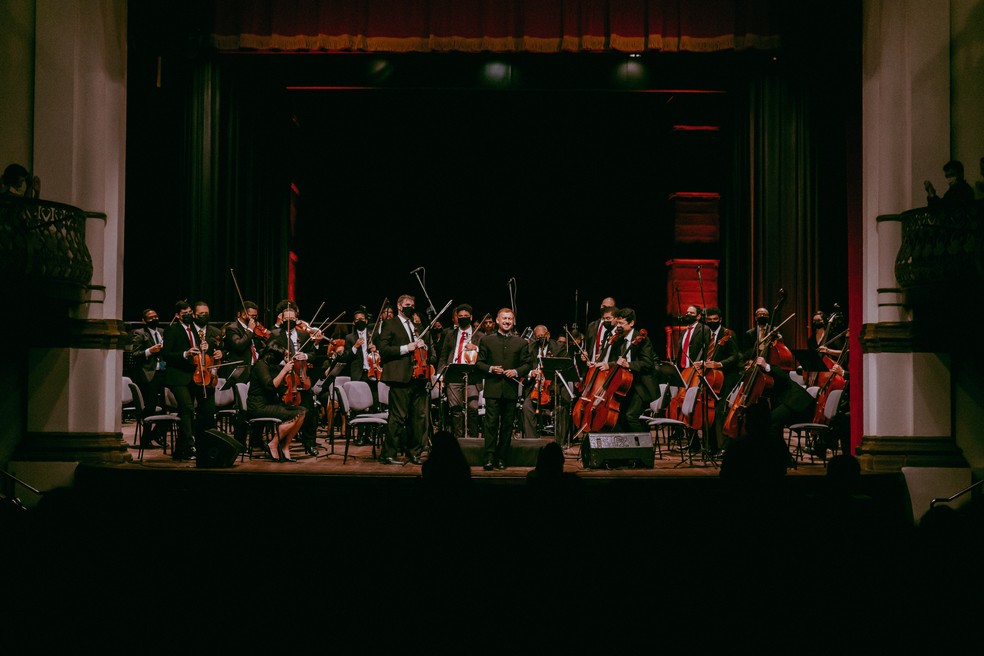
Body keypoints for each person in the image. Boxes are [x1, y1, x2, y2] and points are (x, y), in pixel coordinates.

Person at [162, 300, 223, 461]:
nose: (188, 315)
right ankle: (190, 445)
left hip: (193, 376)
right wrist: (185, 353)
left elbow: (201, 351)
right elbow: (166, 354)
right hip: (177, 377)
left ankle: (181, 450)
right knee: (188, 409)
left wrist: (204, 349)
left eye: (190, 312)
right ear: (177, 316)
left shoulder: (194, 331)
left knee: (194, 412)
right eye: (185, 314)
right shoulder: (172, 330)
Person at [376, 294, 430, 465]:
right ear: (399, 306)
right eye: (407, 304)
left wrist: (423, 346)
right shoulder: (390, 324)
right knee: (398, 417)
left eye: (412, 304)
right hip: (400, 377)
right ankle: (388, 453)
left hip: (418, 377)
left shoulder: (416, 325)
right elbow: (383, 350)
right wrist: (408, 347)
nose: (411, 307)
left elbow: (425, 347)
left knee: (418, 418)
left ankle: (414, 452)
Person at [269, 300, 326, 457]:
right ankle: (280, 443)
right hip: (283, 380)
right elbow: (267, 356)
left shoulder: (303, 335)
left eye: (292, 318)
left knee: (309, 411)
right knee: (285, 412)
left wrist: (306, 355)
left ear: (296, 319)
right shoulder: (274, 335)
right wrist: (283, 361)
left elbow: (314, 355)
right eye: (286, 318)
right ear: (281, 318)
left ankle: (310, 444)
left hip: (301, 378)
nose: (290, 321)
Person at [476, 307, 532, 470]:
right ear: (498, 321)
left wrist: (516, 371)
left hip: (510, 389)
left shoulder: (521, 342)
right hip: (493, 388)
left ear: (513, 321)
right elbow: (479, 363)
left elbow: (527, 364)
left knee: (507, 425)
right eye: (504, 318)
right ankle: (489, 457)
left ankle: (502, 457)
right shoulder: (487, 340)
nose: (507, 321)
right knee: (490, 424)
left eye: (510, 319)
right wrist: (491, 368)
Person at [593, 308, 657, 433]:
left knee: (630, 417)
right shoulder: (619, 339)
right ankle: (627, 449)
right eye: (617, 323)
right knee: (619, 418)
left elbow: (648, 364)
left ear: (631, 323)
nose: (618, 326)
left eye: (621, 323)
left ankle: (644, 448)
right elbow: (618, 362)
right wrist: (608, 365)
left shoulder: (642, 340)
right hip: (624, 386)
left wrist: (629, 364)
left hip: (640, 386)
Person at [247, 342, 307, 462]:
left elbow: (282, 385)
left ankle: (285, 446)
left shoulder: (271, 366)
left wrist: (287, 366)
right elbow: (271, 386)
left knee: (302, 411)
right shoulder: (260, 366)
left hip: (269, 404)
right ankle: (273, 444)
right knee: (294, 415)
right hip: (258, 406)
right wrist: (284, 370)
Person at [697, 306, 740, 455]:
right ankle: (710, 446)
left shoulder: (728, 334)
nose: (712, 322)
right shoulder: (705, 334)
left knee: (722, 413)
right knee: (708, 413)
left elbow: (735, 356)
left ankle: (724, 447)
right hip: (710, 379)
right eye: (709, 320)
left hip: (726, 379)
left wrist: (719, 364)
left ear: (720, 320)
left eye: (715, 320)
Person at [437, 303, 482, 439]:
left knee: (473, 409)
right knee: (455, 410)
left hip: (473, 375)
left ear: (471, 317)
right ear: (456, 317)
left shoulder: (480, 336)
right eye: (460, 316)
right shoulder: (449, 334)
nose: (463, 318)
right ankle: (459, 440)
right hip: (453, 374)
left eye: (466, 316)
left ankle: (473, 440)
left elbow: (486, 357)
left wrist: (476, 349)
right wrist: (440, 376)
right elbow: (443, 357)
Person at [521, 325, 569, 439]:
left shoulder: (558, 348)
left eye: (542, 336)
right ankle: (531, 442)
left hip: (554, 386)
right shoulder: (530, 348)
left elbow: (566, 368)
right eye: (538, 337)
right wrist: (531, 373)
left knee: (562, 407)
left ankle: (559, 443)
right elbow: (524, 366)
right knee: (526, 407)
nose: (540, 339)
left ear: (548, 335)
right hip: (535, 387)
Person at [129, 308, 167, 446]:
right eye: (151, 317)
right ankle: (146, 439)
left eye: (156, 316)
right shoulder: (140, 333)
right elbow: (135, 354)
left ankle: (156, 434)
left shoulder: (162, 332)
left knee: (167, 406)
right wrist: (150, 351)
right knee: (150, 408)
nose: (154, 319)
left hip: (163, 372)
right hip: (148, 374)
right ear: (144, 320)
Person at [222, 300, 267, 387]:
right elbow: (239, 346)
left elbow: (258, 347)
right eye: (252, 316)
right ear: (243, 315)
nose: (255, 319)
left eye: (256, 316)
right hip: (240, 371)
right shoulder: (232, 328)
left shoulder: (255, 328)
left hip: (254, 369)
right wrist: (249, 330)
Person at [584, 298, 616, 364]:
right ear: (601, 306)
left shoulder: (617, 328)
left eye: (609, 307)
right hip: (591, 366)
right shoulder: (592, 326)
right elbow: (587, 347)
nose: (606, 309)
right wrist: (585, 355)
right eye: (604, 306)